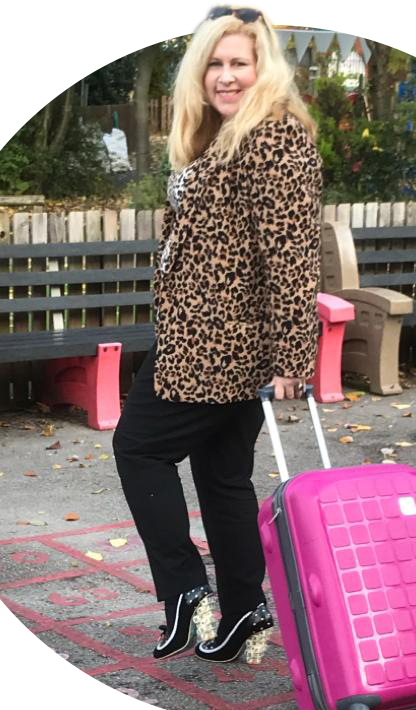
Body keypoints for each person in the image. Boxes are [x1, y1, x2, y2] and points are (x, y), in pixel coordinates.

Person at [112, 5, 322, 665]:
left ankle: (182, 587)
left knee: (138, 447)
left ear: (263, 69)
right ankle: (243, 607)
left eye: (239, 63)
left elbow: (291, 254)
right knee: (223, 475)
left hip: (215, 349)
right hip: (211, 339)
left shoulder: (273, 137)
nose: (226, 76)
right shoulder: (227, 134)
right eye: (215, 63)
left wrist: (294, 355)